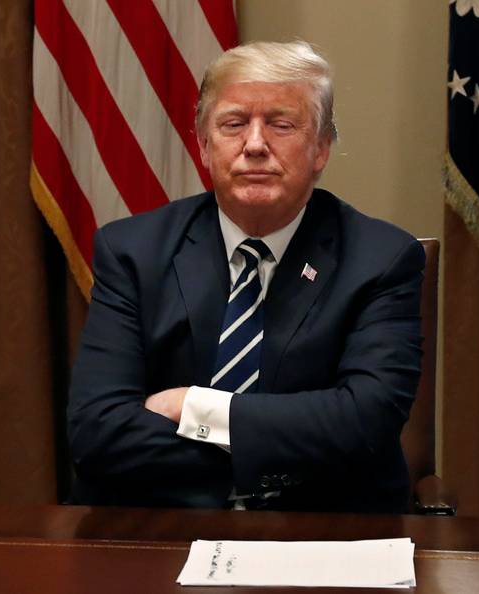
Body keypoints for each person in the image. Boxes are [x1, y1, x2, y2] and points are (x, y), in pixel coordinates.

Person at [67, 40, 425, 513]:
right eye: (234, 124)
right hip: (161, 528)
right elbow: (98, 429)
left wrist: (196, 408)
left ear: (321, 148)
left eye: (281, 124)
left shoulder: (381, 259)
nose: (255, 145)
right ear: (203, 145)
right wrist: (280, 455)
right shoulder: (132, 251)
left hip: (321, 533)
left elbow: (366, 420)